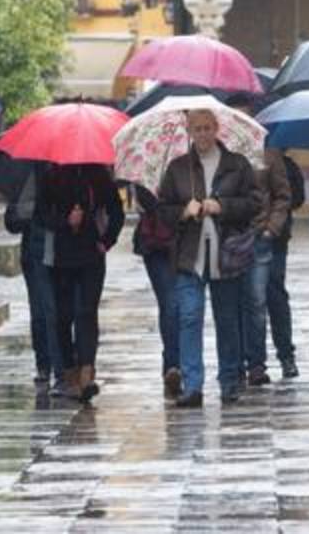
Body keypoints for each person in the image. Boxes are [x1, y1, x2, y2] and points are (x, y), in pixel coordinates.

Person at [157, 109, 260, 408]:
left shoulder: (237, 165)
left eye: (207, 127)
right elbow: (162, 211)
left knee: (227, 318)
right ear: (189, 131)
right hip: (189, 256)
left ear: (217, 129)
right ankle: (193, 385)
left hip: (226, 255)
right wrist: (181, 212)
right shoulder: (178, 168)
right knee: (190, 317)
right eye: (196, 128)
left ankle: (229, 380)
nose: (202, 133)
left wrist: (222, 206)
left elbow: (254, 203)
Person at [37, 164, 124, 401]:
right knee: (63, 315)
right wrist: (65, 221)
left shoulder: (98, 176)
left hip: (91, 255)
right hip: (60, 257)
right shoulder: (51, 176)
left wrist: (106, 241)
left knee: (87, 311)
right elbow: (41, 214)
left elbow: (116, 211)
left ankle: (87, 371)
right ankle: (69, 372)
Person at [224, 94, 292, 388]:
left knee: (256, 300)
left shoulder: (268, 153)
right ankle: (235, 362)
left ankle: (257, 364)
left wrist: (271, 229)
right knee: (232, 302)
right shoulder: (223, 154)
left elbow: (283, 195)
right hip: (231, 237)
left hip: (261, 237)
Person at [4, 170, 58, 390]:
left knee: (61, 312)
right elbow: (11, 221)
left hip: (67, 253)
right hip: (35, 253)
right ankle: (44, 364)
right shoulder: (29, 177)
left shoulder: (77, 172)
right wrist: (31, 209)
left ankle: (64, 364)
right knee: (40, 313)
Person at [134, 185, 180, 399]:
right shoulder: (147, 164)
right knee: (169, 303)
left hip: (188, 241)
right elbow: (143, 200)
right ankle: (173, 365)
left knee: (186, 307)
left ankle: (184, 363)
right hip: (156, 243)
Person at [268, 151, 305, 379]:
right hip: (241, 238)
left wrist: (273, 223)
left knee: (275, 294)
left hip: (275, 238)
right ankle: (253, 362)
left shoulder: (284, 165)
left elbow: (296, 198)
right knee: (248, 301)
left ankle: (285, 355)